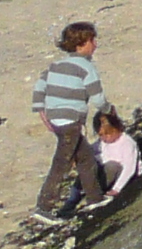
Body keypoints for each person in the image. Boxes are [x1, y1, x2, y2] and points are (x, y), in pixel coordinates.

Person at [27, 22, 108, 224]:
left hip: (56, 119)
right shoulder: (87, 67)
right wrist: (109, 111)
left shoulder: (55, 66)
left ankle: (95, 198)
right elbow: (97, 98)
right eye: (92, 41)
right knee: (62, 163)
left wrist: (41, 112)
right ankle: (44, 207)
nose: (95, 45)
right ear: (81, 44)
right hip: (70, 120)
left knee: (86, 157)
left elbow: (39, 88)